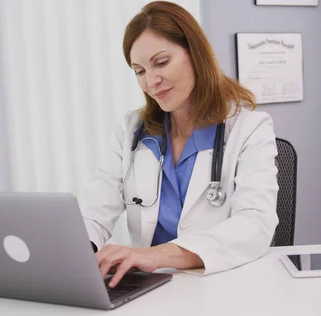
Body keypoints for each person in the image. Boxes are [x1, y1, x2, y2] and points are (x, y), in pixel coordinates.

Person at [80, 1, 279, 288]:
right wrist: (81, 253)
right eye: (139, 71)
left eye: (161, 62)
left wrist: (157, 256)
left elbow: (255, 225)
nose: (151, 81)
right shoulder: (131, 130)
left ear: (195, 54)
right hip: (150, 292)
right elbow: (94, 212)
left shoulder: (249, 129)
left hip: (222, 288)